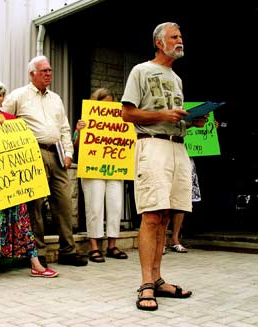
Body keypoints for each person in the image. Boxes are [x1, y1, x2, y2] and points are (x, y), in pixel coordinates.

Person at [121, 22, 207, 310]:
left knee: (168, 214)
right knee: (151, 215)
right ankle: (146, 283)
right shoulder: (141, 71)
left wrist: (190, 121)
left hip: (177, 147)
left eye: (181, 36)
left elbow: (172, 117)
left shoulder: (177, 78)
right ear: (159, 43)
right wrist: (163, 114)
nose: (180, 40)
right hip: (153, 145)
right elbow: (127, 114)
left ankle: (158, 279)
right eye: (174, 37)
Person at [2, 55, 88, 267]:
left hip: (57, 153)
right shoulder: (18, 96)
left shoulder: (56, 99)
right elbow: (2, 120)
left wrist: (69, 153)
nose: (49, 74)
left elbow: (65, 128)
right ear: (32, 74)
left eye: (50, 70)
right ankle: (37, 252)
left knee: (64, 204)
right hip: (32, 154)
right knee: (36, 206)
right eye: (44, 71)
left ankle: (68, 251)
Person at [0, 79, 58, 279]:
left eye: (1, 95)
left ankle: (35, 264)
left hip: (11, 183)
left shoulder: (12, 120)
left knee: (22, 221)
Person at [74, 88, 128, 263]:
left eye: (111, 105)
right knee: (94, 206)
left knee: (115, 205)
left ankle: (112, 244)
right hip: (92, 167)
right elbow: (75, 146)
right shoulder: (85, 120)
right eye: (105, 105)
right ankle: (94, 246)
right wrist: (79, 130)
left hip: (114, 166)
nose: (109, 110)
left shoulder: (120, 120)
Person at [167, 158, 201, 253]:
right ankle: (161, 242)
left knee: (181, 201)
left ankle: (175, 239)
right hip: (167, 157)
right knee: (165, 200)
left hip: (185, 158)